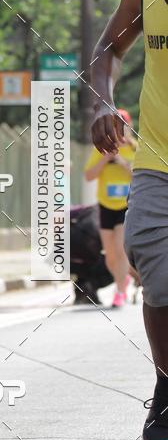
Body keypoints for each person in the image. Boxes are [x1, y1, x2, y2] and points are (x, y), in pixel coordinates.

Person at [91, 0, 168, 440]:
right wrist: (102, 101)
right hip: (158, 161)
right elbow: (108, 49)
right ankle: (167, 383)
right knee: (152, 264)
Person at [84, 108, 136, 307]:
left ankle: (120, 293)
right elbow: (89, 175)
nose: (118, 132)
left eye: (122, 127)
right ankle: (122, 279)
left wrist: (122, 162)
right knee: (110, 255)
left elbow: (140, 174)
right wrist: (106, 158)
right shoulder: (102, 148)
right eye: (115, 127)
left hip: (126, 204)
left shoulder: (135, 149)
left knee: (120, 250)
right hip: (106, 205)